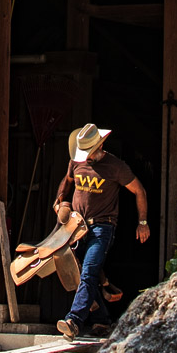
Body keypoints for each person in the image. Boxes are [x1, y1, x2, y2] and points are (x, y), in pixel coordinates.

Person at [53, 122, 150, 340]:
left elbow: (139, 190)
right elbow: (67, 181)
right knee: (82, 274)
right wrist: (60, 199)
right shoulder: (76, 162)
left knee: (88, 271)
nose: (84, 156)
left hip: (102, 226)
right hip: (76, 227)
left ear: (99, 147)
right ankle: (102, 320)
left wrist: (142, 222)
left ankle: (73, 321)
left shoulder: (116, 166)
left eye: (88, 152)